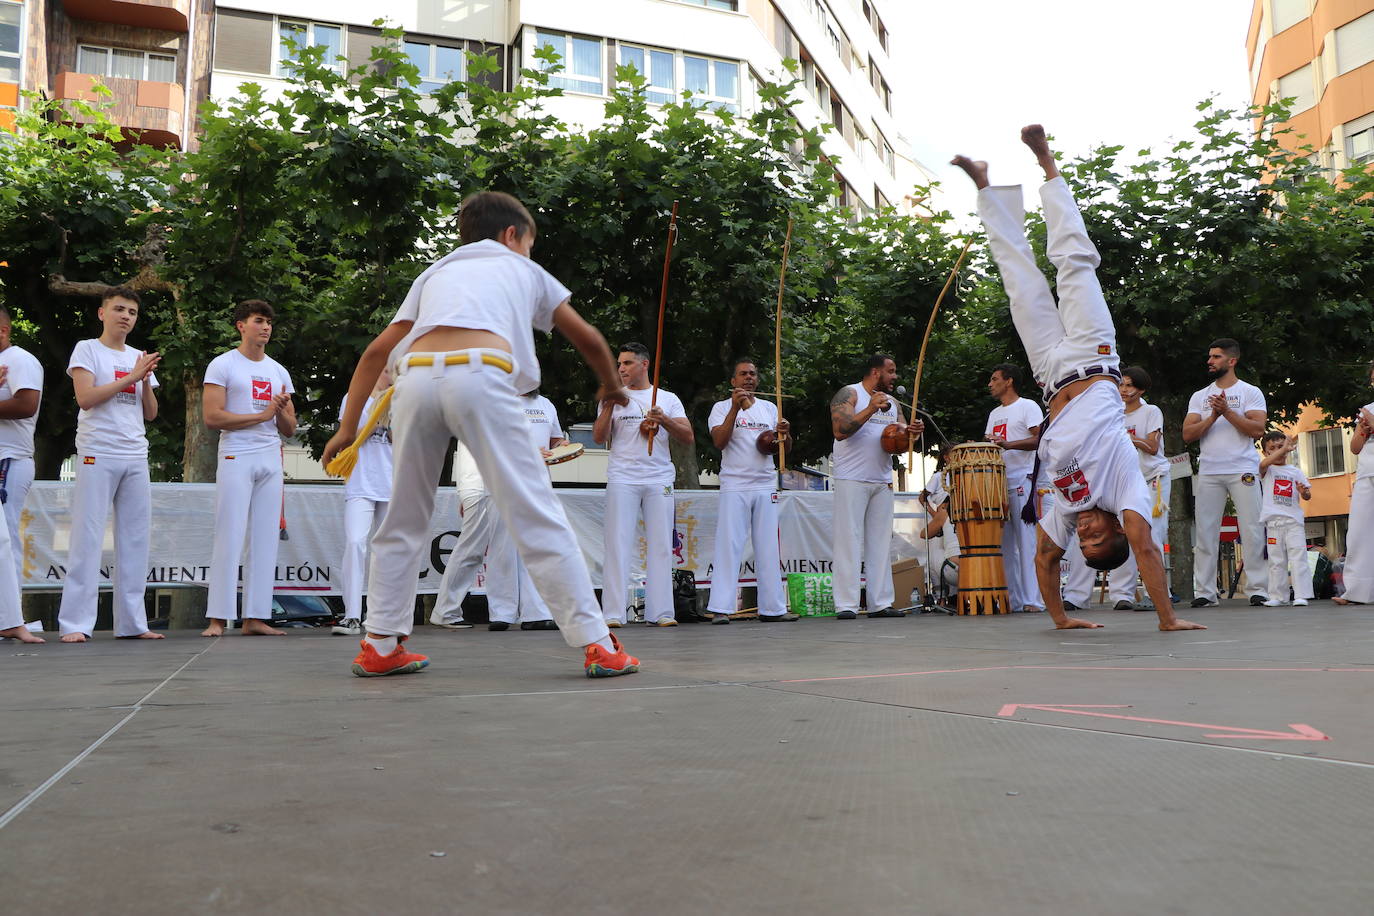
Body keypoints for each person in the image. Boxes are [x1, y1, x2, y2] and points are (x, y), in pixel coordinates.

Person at [322, 190, 639, 678]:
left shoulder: (435, 273)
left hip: (416, 379)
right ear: (512, 235)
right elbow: (590, 338)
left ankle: (380, 644)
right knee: (536, 513)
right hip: (482, 377)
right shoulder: (523, 269)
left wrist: (348, 429)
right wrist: (613, 386)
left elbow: (374, 354)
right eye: (530, 243)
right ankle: (599, 644)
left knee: (403, 519)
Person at [951, 125, 1202, 631]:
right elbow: (1147, 546)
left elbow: (1046, 560)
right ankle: (1048, 165)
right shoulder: (1124, 491)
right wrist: (1166, 619)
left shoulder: (1066, 509)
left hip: (1049, 374)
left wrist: (1061, 619)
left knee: (1019, 282)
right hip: (1096, 356)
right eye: (1096, 537)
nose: (1085, 531)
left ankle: (984, 186)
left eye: (1082, 541)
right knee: (1075, 265)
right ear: (1116, 530)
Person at [56, 288, 165, 642]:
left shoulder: (138, 356)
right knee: (87, 538)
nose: (126, 316)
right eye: (119, 309)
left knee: (135, 539)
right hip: (96, 451)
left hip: (135, 453)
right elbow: (86, 398)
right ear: (102, 313)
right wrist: (131, 377)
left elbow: (150, 413)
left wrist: (145, 381)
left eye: (132, 312)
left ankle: (133, 624)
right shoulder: (87, 349)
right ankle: (75, 624)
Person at [201, 300, 296, 637]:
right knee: (229, 533)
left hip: (270, 457)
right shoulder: (223, 364)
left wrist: (280, 410)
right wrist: (261, 415)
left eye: (269, 321)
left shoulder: (278, 371)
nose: (266, 327)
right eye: (259, 321)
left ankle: (255, 616)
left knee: (265, 538)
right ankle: (217, 617)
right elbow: (212, 417)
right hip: (236, 456)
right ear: (241, 325)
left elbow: (290, 427)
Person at [436, 390, 564, 632]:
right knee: (496, 548)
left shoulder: (545, 404)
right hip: (495, 481)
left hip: (535, 483)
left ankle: (535, 612)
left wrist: (561, 446)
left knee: (534, 548)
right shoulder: (492, 398)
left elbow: (555, 440)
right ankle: (499, 611)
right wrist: (469, 490)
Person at [593, 342, 693, 627]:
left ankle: (661, 612)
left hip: (659, 477)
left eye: (626, 363)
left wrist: (664, 420)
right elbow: (600, 438)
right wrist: (609, 404)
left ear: (644, 364)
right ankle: (612, 613)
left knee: (661, 545)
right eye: (619, 364)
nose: (620, 369)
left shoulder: (668, 398)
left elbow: (687, 436)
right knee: (617, 543)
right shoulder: (614, 396)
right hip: (622, 477)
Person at [828, 353, 922, 619]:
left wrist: (913, 432)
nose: (894, 377)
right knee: (848, 541)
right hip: (851, 478)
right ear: (875, 372)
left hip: (882, 480)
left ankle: (880, 602)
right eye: (891, 371)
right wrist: (869, 408)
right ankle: (846, 604)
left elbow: (901, 440)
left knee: (881, 543)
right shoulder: (850, 393)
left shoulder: (893, 403)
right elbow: (840, 430)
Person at [705, 358, 797, 624]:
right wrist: (735, 408)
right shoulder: (721, 407)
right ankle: (721, 608)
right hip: (735, 484)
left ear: (757, 380)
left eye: (753, 374)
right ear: (733, 381)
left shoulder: (769, 408)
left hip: (765, 483)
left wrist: (785, 434)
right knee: (729, 545)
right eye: (743, 374)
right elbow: (720, 441)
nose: (748, 378)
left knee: (768, 547)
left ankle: (773, 609)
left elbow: (783, 449)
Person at [1182, 339, 1268, 607]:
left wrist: (1227, 411)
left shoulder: (1250, 392)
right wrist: (1213, 416)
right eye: (1210, 356)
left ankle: (1258, 589)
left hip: (1242, 469)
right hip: (1209, 470)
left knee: (1252, 528)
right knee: (1206, 531)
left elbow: (1257, 430)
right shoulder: (1199, 396)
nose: (1210, 361)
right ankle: (1205, 593)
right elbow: (1187, 435)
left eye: (1216, 357)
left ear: (1232, 361)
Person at [333, 369, 393, 637]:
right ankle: (352, 615)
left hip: (391, 483)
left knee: (388, 552)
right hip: (361, 482)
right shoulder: (354, 398)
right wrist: (375, 422)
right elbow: (346, 436)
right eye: (390, 368)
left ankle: (382, 616)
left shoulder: (400, 399)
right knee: (356, 543)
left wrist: (391, 426)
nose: (394, 373)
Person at [1107, 367, 1172, 610]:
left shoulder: (1151, 411)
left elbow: (1153, 447)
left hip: (1153, 479)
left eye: (1130, 386)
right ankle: (1122, 594)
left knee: (1153, 535)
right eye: (1121, 385)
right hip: (1124, 480)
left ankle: (1156, 594)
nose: (1124, 390)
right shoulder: (1112, 413)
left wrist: (1125, 436)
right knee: (1125, 534)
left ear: (1141, 389)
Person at [985, 363, 1043, 612]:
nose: (990, 383)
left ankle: (1034, 600)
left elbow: (1041, 438)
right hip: (998, 484)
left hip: (1023, 479)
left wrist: (1009, 445)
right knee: (1005, 545)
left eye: (994, 378)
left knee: (1027, 542)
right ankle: (1013, 599)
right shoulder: (994, 414)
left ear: (1008, 381)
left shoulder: (1027, 406)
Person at [0, 308, 42, 600]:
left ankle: (8, 617)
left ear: (3, 331)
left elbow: (26, 404)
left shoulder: (20, 360)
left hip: (10, 459)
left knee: (5, 539)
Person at [1257, 432, 1312, 606]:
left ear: (1288, 450)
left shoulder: (1295, 471)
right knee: (1276, 561)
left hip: (1293, 523)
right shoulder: (1266, 469)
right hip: (1273, 524)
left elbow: (1308, 495)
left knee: (1298, 559)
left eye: (1281, 447)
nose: (1277, 451)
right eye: (1272, 449)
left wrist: (1304, 492)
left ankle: (1301, 595)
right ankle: (1277, 596)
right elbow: (1264, 464)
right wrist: (1284, 448)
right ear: (1265, 452)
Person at [1335, 366, 1374, 606]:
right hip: (1367, 472)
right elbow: (1355, 447)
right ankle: (1357, 591)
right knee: (1359, 533)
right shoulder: (1368, 409)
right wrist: (1364, 429)